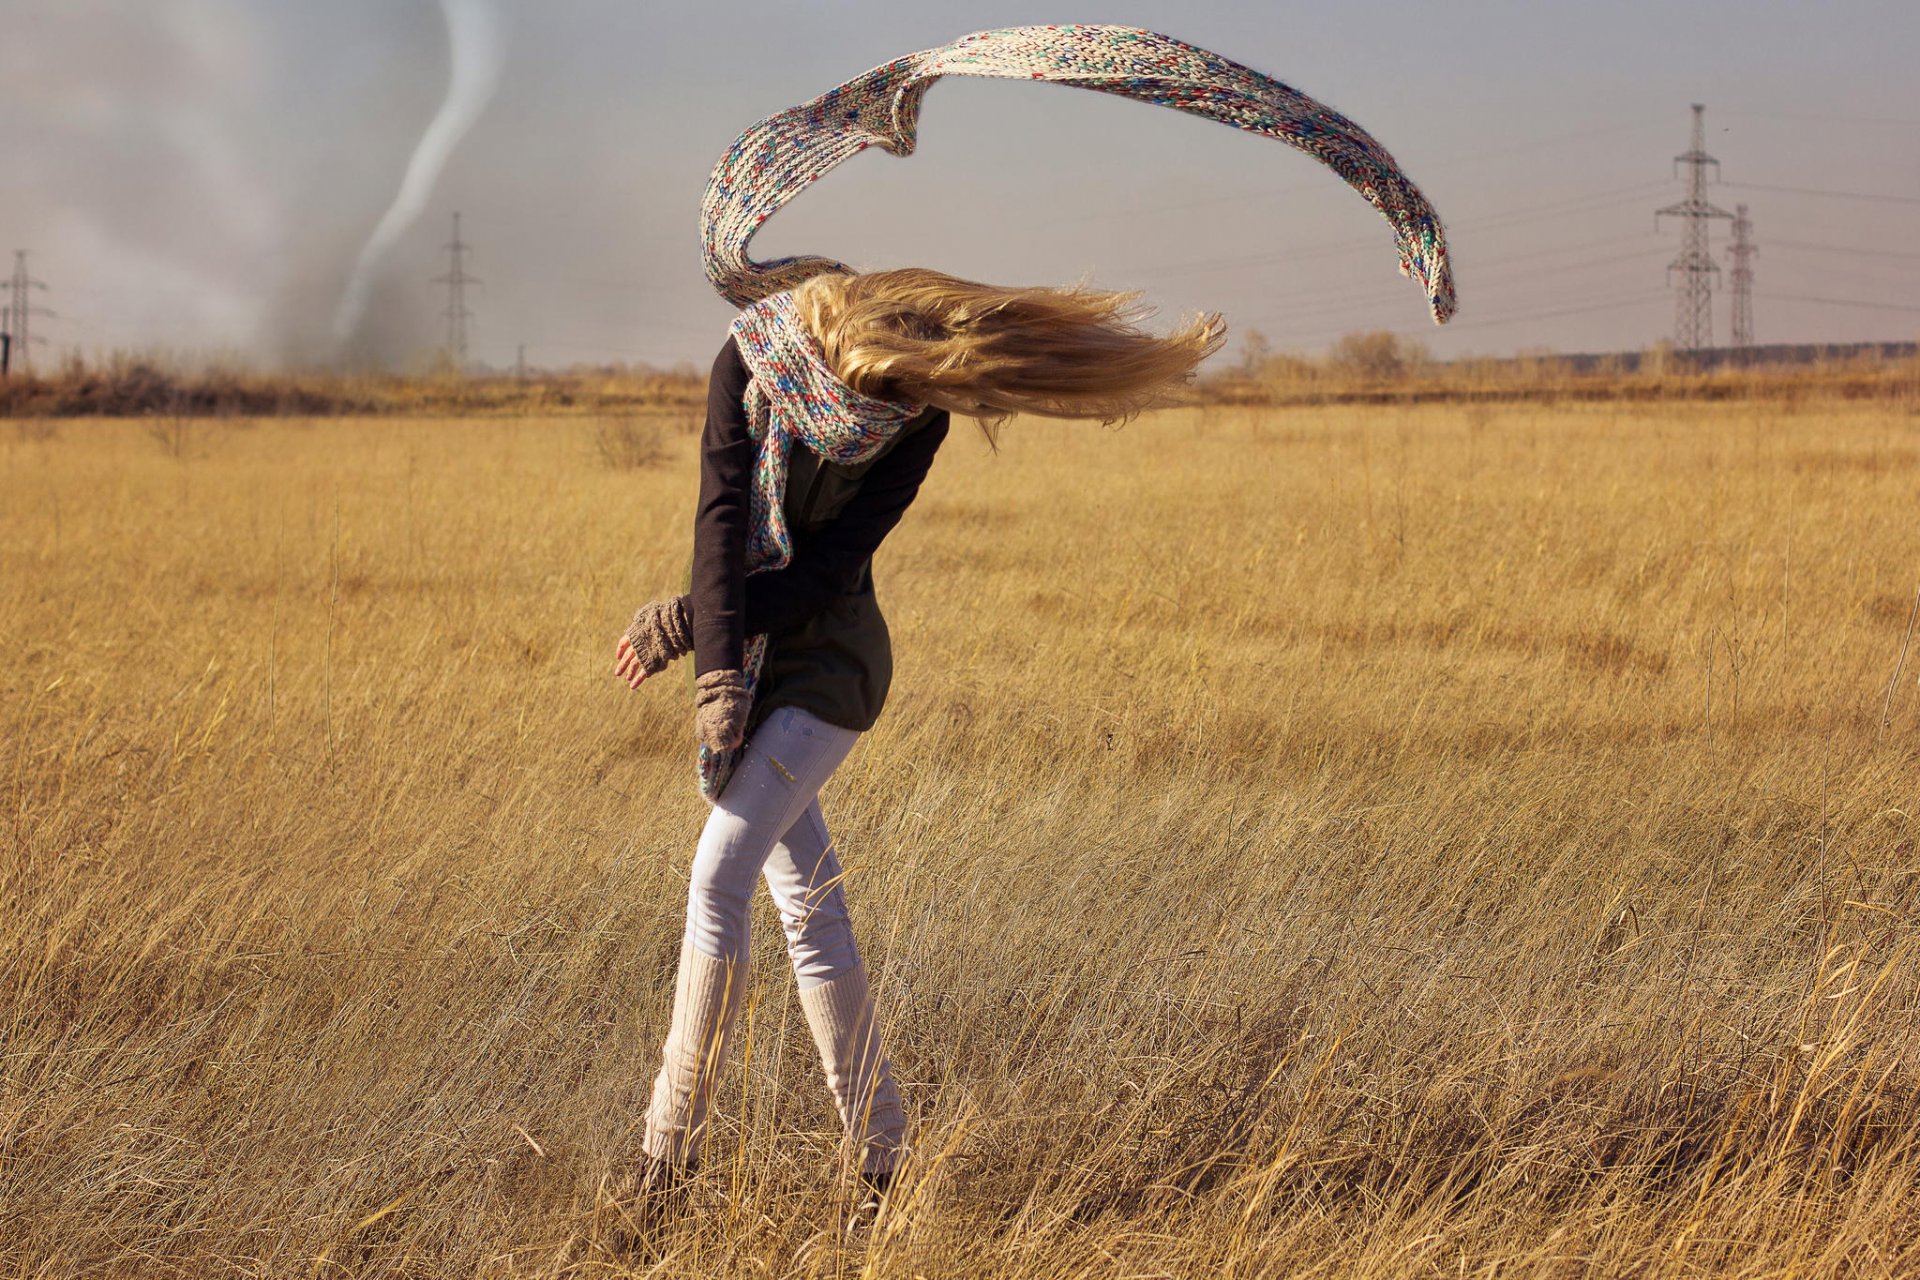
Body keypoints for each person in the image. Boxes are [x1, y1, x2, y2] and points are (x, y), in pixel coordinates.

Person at [609, 264, 1224, 1231]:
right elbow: (722, 519)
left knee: (716, 875)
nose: (879, 415)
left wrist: (693, 627)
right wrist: (717, 665)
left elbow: (824, 573)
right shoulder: (752, 360)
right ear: (833, 355)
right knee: (810, 912)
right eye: (868, 395)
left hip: (828, 674)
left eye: (897, 397)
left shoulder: (918, 420)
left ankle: (662, 1164)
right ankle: (884, 1160)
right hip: (755, 658)